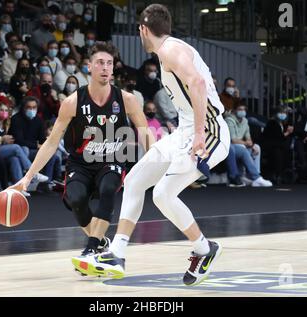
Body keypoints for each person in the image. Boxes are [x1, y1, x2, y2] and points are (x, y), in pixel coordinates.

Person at [74, 4, 231, 286]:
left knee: (162, 194)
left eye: (139, 31)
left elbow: (196, 82)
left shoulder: (171, 50)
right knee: (134, 180)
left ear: (143, 30)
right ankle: (116, 254)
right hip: (185, 131)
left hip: (209, 132)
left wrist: (198, 134)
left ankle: (205, 250)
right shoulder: (167, 51)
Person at [8, 42, 151, 260]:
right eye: (100, 63)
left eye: (109, 63)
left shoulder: (127, 100)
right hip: (80, 163)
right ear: (90, 67)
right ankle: (101, 241)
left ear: (113, 69)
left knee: (108, 189)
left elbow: (145, 132)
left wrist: (155, 166)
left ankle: (92, 247)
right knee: (76, 199)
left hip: (112, 158)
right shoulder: (72, 102)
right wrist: (28, 177)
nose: (105, 67)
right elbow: (51, 142)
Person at [261, 106, 295, 185]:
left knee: (284, 150)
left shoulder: (284, 123)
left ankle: (284, 173)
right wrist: (288, 133)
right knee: (278, 151)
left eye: (284, 113)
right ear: (276, 114)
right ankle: (277, 174)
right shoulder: (272, 123)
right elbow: (277, 136)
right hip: (271, 145)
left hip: (280, 145)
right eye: (280, 113)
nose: (282, 114)